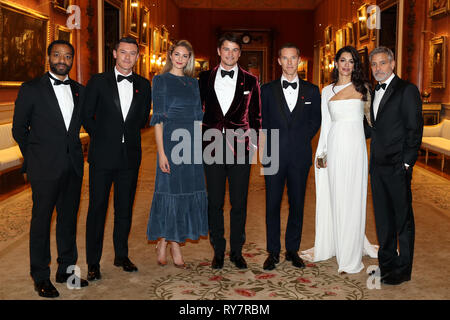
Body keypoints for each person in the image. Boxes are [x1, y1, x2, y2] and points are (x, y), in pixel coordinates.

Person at [12, 40, 88, 298]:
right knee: (41, 222)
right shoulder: (31, 89)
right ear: (48, 57)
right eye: (57, 55)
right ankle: (40, 275)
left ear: (71, 60)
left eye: (67, 56)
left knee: (68, 220)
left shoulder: (80, 90)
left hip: (73, 166)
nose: (62, 60)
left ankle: (66, 269)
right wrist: (33, 160)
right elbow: (19, 129)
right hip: (44, 168)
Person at [301, 46, 378, 274]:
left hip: (356, 149)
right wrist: (321, 154)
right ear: (336, 63)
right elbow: (326, 125)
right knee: (335, 195)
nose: (346, 65)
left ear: (355, 65)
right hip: (334, 146)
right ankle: (334, 242)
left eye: (351, 61)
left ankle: (350, 252)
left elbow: (373, 123)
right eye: (342, 60)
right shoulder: (326, 91)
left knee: (353, 196)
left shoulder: (364, 89)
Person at [83, 37, 151, 281]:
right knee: (97, 209)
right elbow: (85, 115)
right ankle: (93, 262)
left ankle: (121, 255)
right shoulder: (98, 82)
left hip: (130, 158)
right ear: (114, 54)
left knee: (124, 209)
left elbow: (143, 118)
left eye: (132, 53)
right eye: (123, 52)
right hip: (102, 157)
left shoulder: (143, 85)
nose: (127, 57)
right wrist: (102, 137)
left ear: (137, 57)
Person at [199, 33, 262, 270]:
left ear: (240, 53)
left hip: (241, 150)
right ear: (219, 51)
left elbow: (256, 117)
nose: (231, 54)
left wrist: (252, 148)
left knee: (239, 203)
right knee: (214, 202)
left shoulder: (251, 81)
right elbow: (198, 113)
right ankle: (218, 250)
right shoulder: (203, 78)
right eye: (226, 49)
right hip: (211, 148)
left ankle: (236, 251)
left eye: (235, 50)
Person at [147, 40, 208, 268]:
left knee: (186, 192)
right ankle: (169, 243)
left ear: (189, 58)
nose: (181, 59)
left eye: (185, 56)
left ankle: (170, 241)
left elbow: (198, 117)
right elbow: (158, 121)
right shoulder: (160, 81)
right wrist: (162, 153)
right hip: (171, 143)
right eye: (177, 54)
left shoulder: (193, 83)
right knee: (169, 192)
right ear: (170, 55)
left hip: (191, 144)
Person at [260, 43, 321, 270]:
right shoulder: (266, 90)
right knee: (272, 205)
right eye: (284, 58)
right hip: (272, 154)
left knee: (297, 204)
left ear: (299, 60)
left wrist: (302, 137)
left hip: (299, 155)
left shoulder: (312, 90)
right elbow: (261, 120)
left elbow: (316, 120)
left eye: (293, 58)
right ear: (278, 61)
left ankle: (292, 250)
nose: (289, 63)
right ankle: (273, 252)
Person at [367, 46, 423, 285]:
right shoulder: (372, 91)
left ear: (392, 64)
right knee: (383, 219)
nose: (378, 69)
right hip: (377, 166)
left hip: (398, 166)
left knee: (402, 220)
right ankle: (386, 263)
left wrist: (408, 162)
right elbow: (373, 128)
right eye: (374, 65)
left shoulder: (407, 90)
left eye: (382, 63)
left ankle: (403, 269)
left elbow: (414, 129)